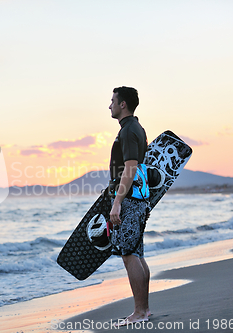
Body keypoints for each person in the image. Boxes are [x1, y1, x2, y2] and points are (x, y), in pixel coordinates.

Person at [107, 86, 151, 326]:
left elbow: (130, 168)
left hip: (131, 200)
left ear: (123, 104)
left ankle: (139, 312)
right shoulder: (136, 128)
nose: (110, 105)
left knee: (128, 254)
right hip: (138, 199)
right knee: (138, 253)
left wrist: (117, 203)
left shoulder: (128, 131)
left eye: (113, 100)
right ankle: (144, 309)